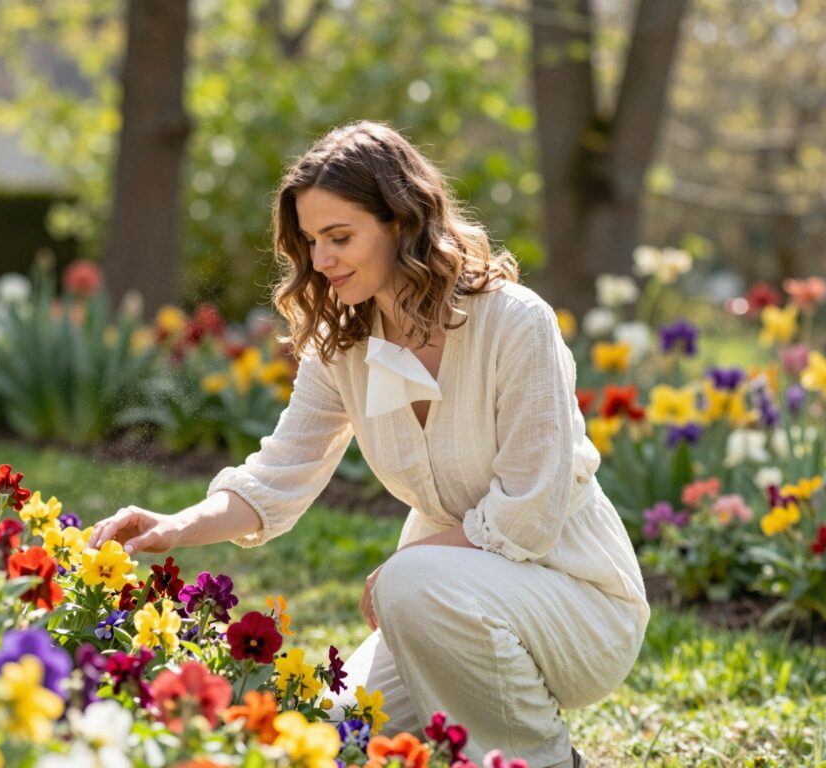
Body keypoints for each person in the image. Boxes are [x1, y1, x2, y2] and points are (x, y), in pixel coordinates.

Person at [89, 120, 650, 768]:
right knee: (332, 735)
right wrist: (171, 527)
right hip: (440, 602)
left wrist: (404, 572)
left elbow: (529, 509)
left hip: (577, 601)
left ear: (400, 221)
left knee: (411, 582)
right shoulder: (346, 346)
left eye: (339, 237)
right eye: (309, 241)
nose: (320, 260)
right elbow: (278, 475)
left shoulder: (515, 323)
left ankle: (544, 762)